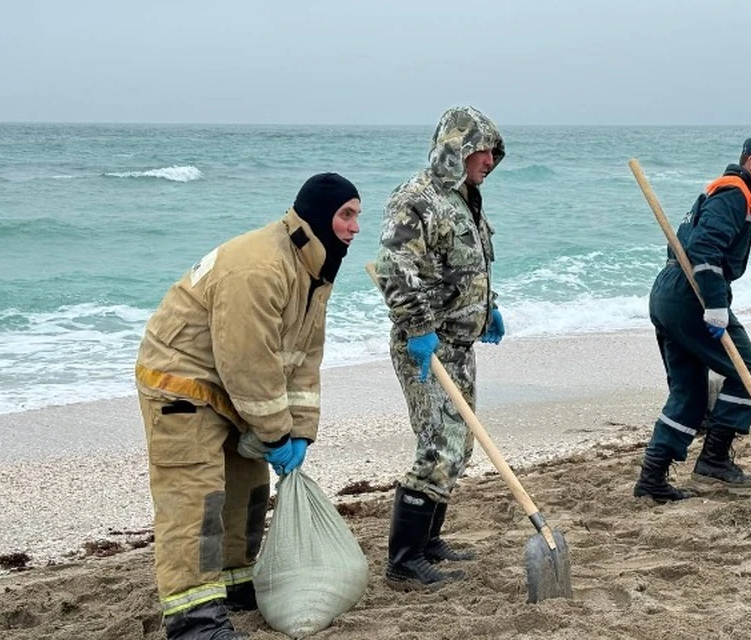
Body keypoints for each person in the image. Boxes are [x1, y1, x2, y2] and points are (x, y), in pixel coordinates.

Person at [135, 173, 361, 639]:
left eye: (357, 215)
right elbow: (248, 363)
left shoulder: (313, 270)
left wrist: (300, 431)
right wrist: (276, 432)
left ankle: (236, 586)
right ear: (318, 216)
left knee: (248, 490)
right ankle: (193, 619)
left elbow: (302, 359)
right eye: (346, 214)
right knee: (196, 500)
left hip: (230, 390)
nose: (355, 227)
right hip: (182, 381)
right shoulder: (260, 268)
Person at [372, 105, 506, 589]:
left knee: (460, 444)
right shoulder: (417, 199)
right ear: (459, 148)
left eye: (494, 151)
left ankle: (428, 542)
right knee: (437, 447)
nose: (490, 160)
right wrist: (417, 328)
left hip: (459, 343)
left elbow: (469, 266)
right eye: (482, 150)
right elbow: (393, 269)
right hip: (425, 348)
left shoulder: (467, 198)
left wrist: (488, 307)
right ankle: (403, 561)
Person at [634, 134, 751, 503]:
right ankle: (715, 458)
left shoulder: (730, 193)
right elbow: (704, 248)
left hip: (670, 293)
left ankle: (652, 479)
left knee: (689, 393)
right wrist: (714, 303)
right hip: (691, 295)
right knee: (748, 374)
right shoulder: (735, 193)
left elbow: (687, 244)